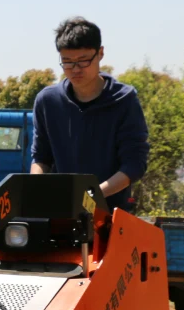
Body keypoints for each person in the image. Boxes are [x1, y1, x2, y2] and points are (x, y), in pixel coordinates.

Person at [31, 17, 149, 211]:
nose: (75, 70)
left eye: (83, 61)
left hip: (111, 215)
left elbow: (134, 165)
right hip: (62, 213)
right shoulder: (47, 101)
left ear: (100, 54)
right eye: (67, 62)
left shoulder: (124, 100)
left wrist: (91, 197)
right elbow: (41, 158)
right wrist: (36, 188)